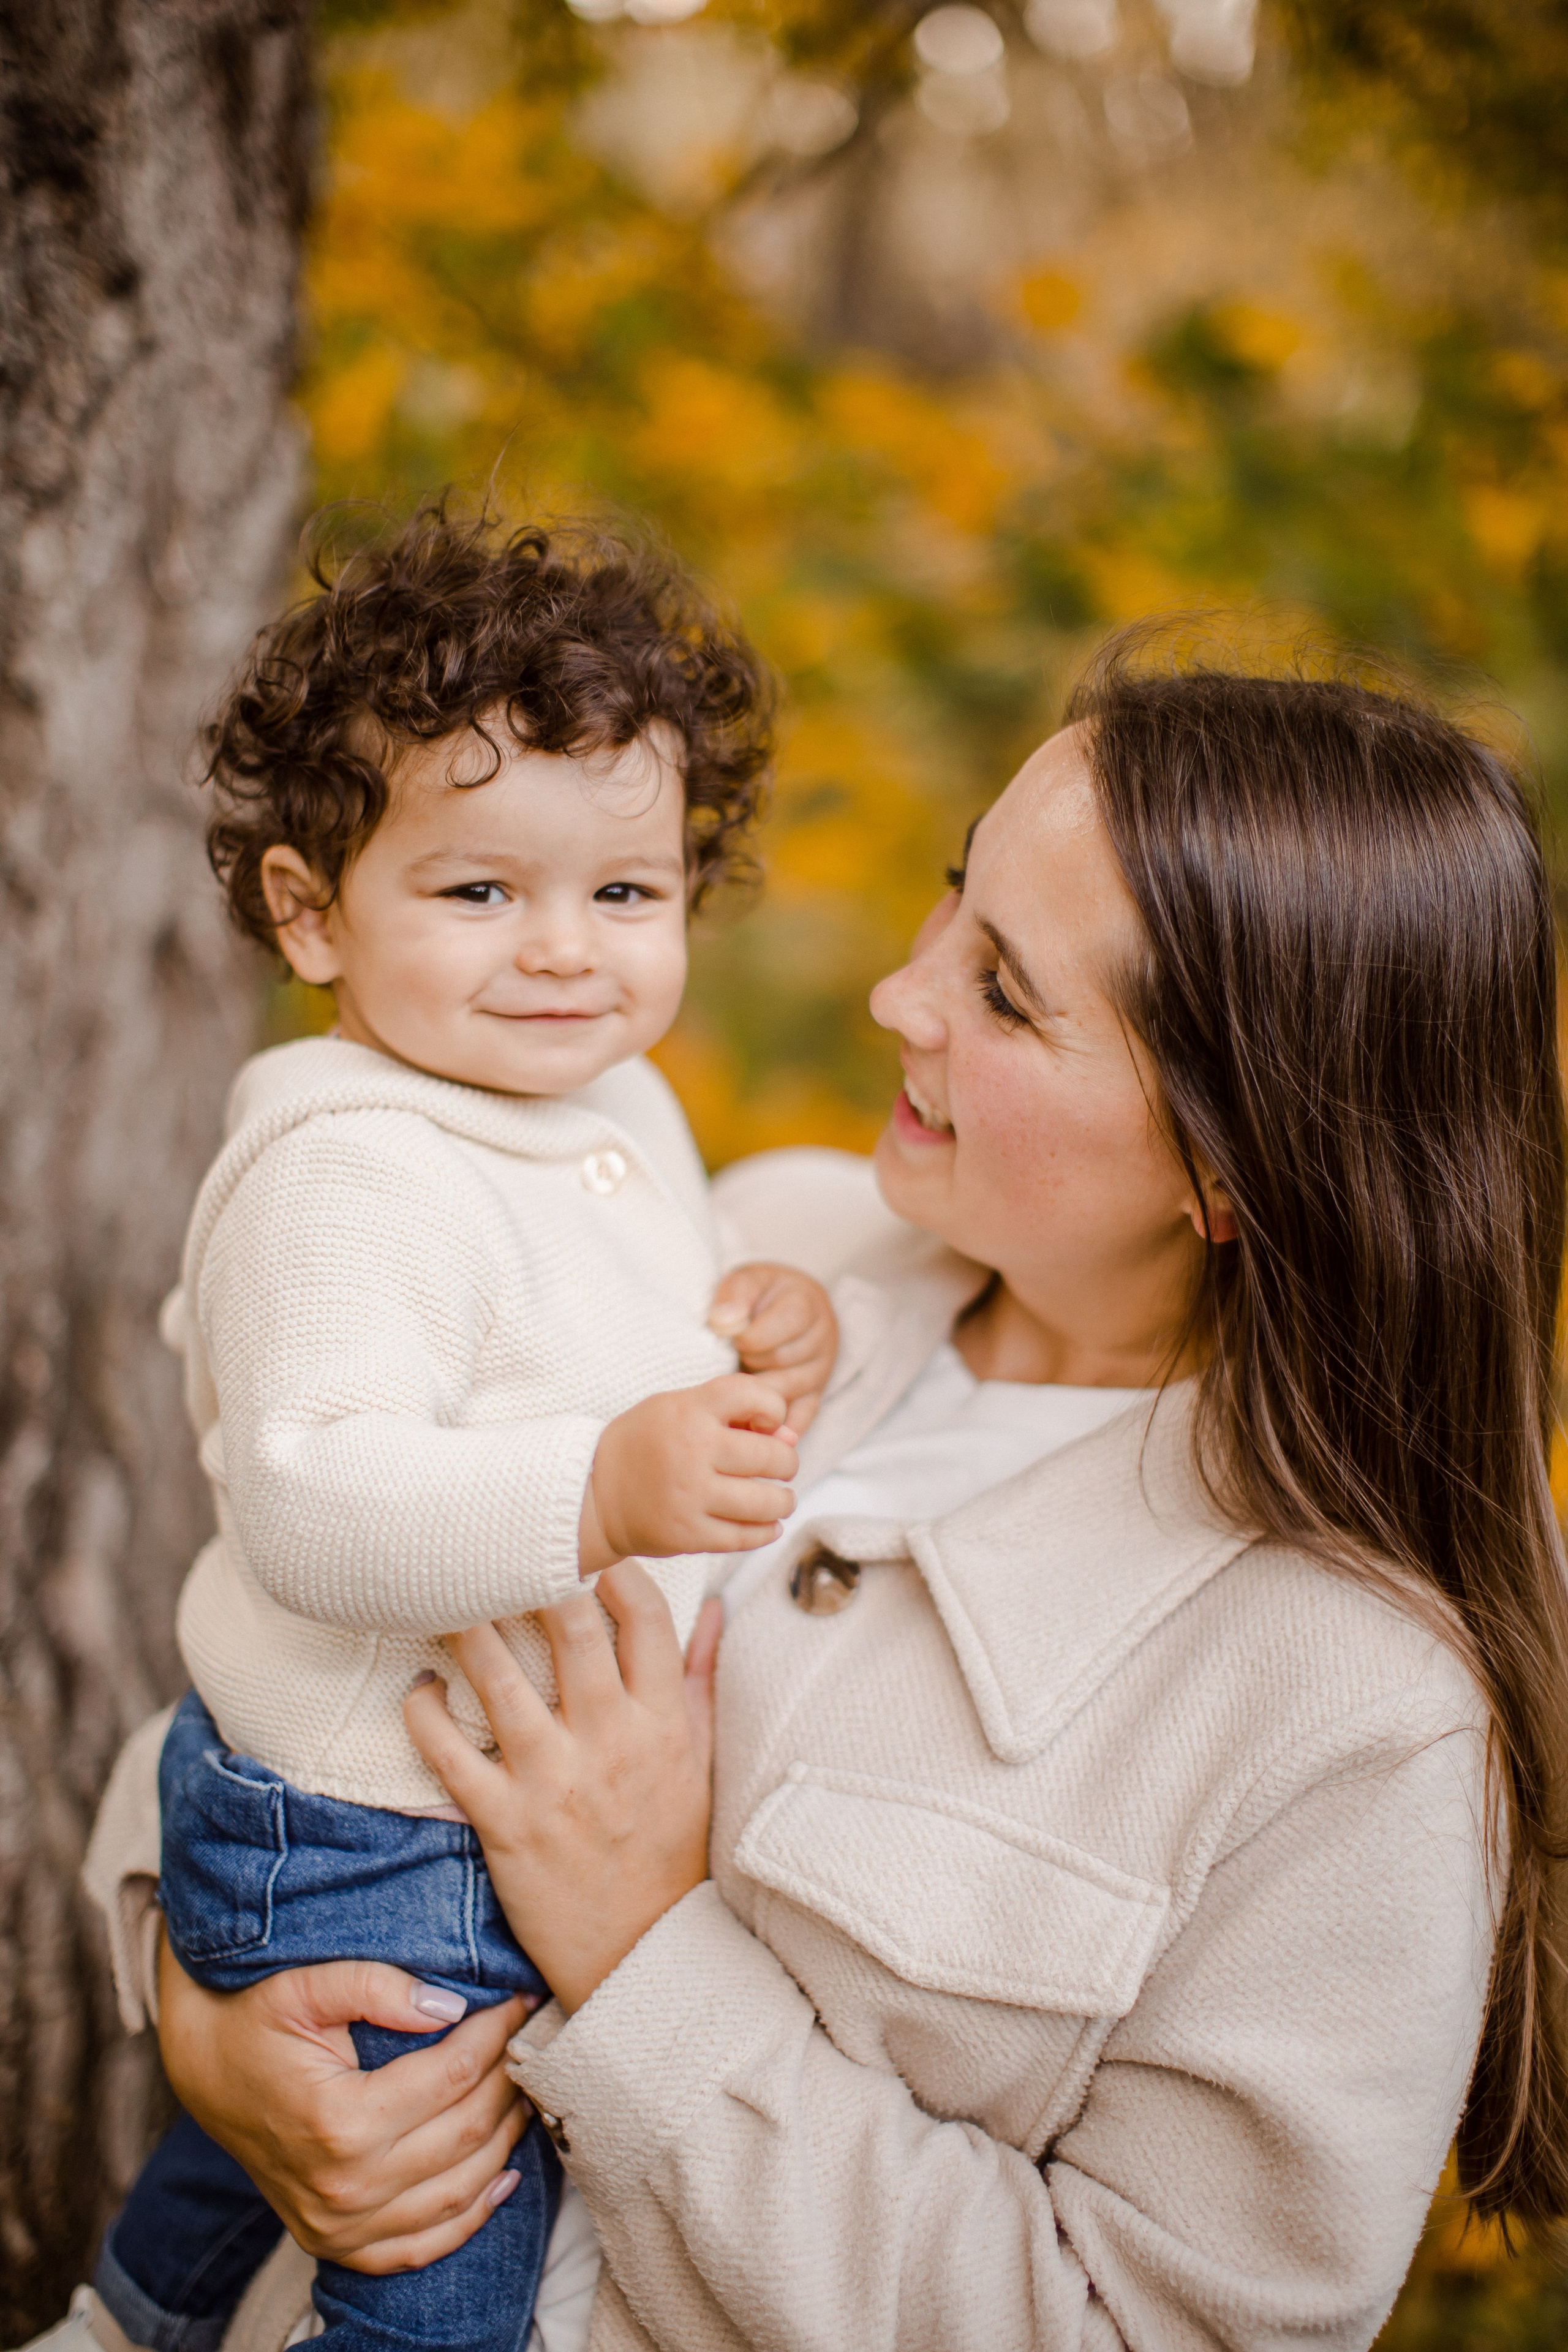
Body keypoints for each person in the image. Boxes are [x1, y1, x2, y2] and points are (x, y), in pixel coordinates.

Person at [77, 650, 1568, 2351]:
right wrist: (203, 2007)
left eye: (1004, 994)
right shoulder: (762, 1238)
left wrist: (645, 1957)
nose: (898, 998)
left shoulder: (1351, 1715)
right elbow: (312, 1627)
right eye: (954, 896)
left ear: (1232, 1166)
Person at [72, 506, 840, 2352]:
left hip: (444, 1791)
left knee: (231, 2190)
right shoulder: (353, 1174)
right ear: (309, 911)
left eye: (624, 895)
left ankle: (121, 2327)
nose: (565, 953)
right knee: (438, 2251)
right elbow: (312, 1500)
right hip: (371, 1829)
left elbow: (620, 1291)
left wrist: (760, 1313)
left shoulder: (605, 1098)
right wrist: (607, 1484)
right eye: (479, 891)